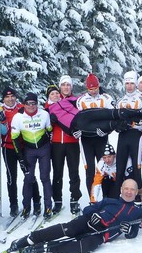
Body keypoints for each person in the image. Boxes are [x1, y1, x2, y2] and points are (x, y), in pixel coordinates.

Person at [9, 178, 142, 253]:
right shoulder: (109, 201)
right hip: (89, 222)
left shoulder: (136, 212)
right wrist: (93, 214)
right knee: (69, 229)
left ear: (136, 192)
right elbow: (88, 208)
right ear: (121, 189)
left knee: (87, 245)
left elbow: (133, 233)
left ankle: (47, 248)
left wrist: (128, 231)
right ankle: (30, 239)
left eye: (132, 190)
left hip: (102, 234)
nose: (129, 192)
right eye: (126, 188)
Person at [11, 92, 54, 218]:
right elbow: (15, 139)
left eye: (33, 103)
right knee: (28, 179)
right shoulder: (18, 118)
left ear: (37, 104)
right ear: (24, 104)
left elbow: (50, 130)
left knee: (45, 178)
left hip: (44, 149)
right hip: (28, 150)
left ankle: (48, 207)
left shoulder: (44, 114)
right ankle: (26, 207)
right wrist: (21, 158)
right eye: (28, 104)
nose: (31, 106)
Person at [0, 87, 39, 217]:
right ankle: (13, 205)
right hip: (7, 147)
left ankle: (37, 201)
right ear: (3, 99)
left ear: (15, 97)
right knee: (11, 177)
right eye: (7, 97)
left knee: (29, 174)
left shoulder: (22, 107)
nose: (10, 99)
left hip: (23, 146)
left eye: (12, 96)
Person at [75, 73, 115, 195]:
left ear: (99, 86)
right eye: (90, 89)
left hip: (101, 138)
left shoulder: (106, 99)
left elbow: (112, 119)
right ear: (87, 88)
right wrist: (76, 130)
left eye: (95, 88)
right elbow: (77, 120)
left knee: (104, 167)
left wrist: (107, 130)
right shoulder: (81, 100)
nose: (93, 91)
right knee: (90, 170)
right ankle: (93, 200)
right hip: (86, 140)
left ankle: (106, 197)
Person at [47, 76, 81, 215]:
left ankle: (74, 200)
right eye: (63, 85)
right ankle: (58, 201)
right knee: (57, 173)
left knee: (74, 173)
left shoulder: (76, 102)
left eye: (68, 85)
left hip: (72, 142)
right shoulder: (53, 100)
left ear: (71, 87)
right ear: (60, 87)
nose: (66, 87)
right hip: (56, 143)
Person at [115, 71, 142, 188]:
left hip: (137, 136)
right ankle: (119, 196)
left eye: (132, 83)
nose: (129, 86)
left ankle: (138, 196)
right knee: (120, 166)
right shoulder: (120, 101)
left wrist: (132, 124)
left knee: (137, 167)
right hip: (123, 136)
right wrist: (117, 126)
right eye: (127, 83)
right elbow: (115, 120)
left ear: (136, 84)